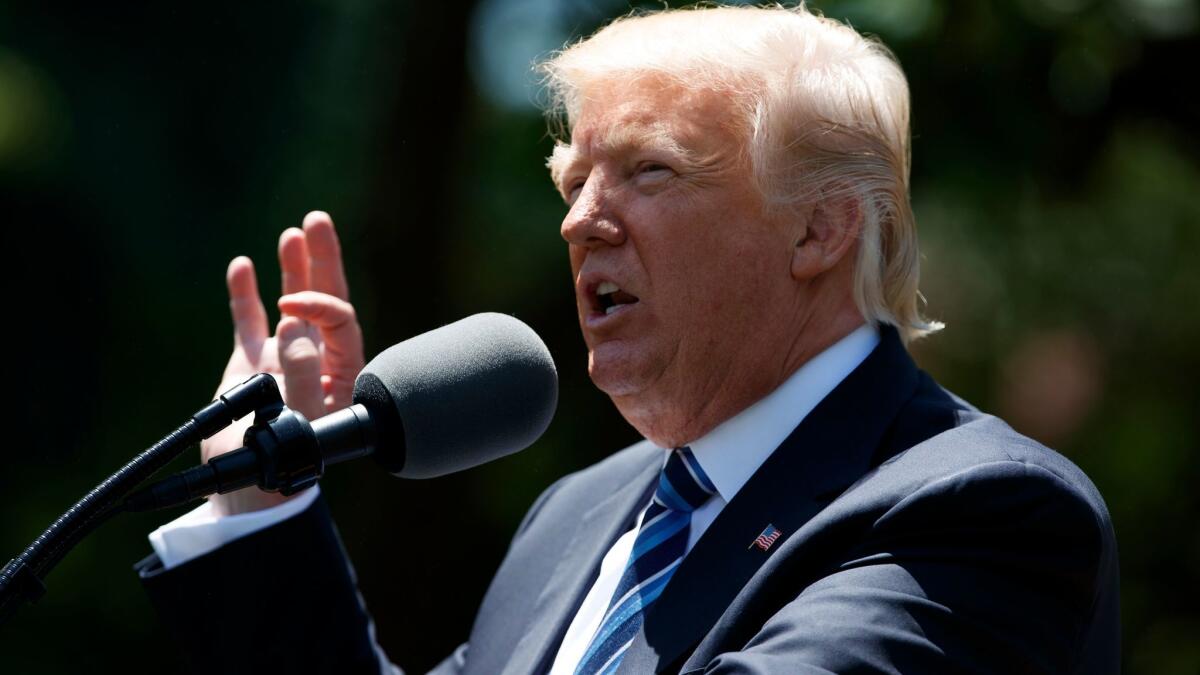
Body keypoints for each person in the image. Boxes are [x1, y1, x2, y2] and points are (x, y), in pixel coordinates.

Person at [136, 5, 1119, 674]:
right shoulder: (578, 517)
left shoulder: (981, 512)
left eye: (648, 170)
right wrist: (261, 500)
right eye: (572, 183)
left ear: (820, 229)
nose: (579, 222)